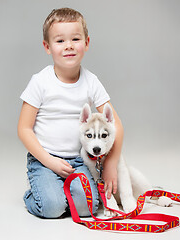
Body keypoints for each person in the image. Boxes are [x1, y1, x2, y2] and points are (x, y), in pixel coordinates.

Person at [17, 8, 124, 218]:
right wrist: (49, 161)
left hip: (79, 160)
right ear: (47, 47)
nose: (69, 46)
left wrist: (110, 163)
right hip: (44, 160)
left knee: (88, 209)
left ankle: (59, 191)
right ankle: (35, 195)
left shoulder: (91, 81)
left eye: (75, 39)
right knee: (53, 208)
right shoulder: (40, 81)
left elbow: (116, 126)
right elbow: (24, 129)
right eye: (60, 41)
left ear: (87, 43)